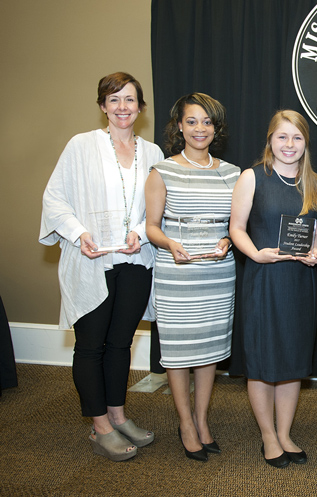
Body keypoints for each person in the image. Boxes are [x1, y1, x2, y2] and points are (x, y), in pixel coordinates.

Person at [40, 72, 163, 461]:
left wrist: (142, 232)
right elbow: (55, 199)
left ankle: (118, 414)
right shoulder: (81, 146)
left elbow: (163, 207)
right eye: (114, 100)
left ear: (140, 107)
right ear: (102, 107)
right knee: (91, 346)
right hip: (92, 262)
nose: (122, 107)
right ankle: (100, 425)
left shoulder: (154, 154)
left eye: (130, 99)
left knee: (121, 343)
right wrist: (78, 234)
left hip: (135, 262)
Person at [229, 110, 317, 468]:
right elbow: (236, 227)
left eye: (297, 138)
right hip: (264, 279)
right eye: (282, 137)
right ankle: (268, 437)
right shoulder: (252, 178)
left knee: (292, 361)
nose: (289, 145)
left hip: (300, 283)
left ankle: (285, 433)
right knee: (262, 361)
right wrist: (257, 253)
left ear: (305, 143)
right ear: (270, 140)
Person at [145, 93, 239, 462]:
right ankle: (185, 423)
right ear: (179, 126)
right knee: (180, 352)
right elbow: (151, 227)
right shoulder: (162, 170)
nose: (200, 129)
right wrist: (170, 243)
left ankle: (202, 420)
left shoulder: (232, 173)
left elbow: (237, 226)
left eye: (207, 122)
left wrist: (227, 240)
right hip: (177, 272)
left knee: (209, 350)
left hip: (217, 273)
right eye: (192, 121)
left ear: (216, 128)